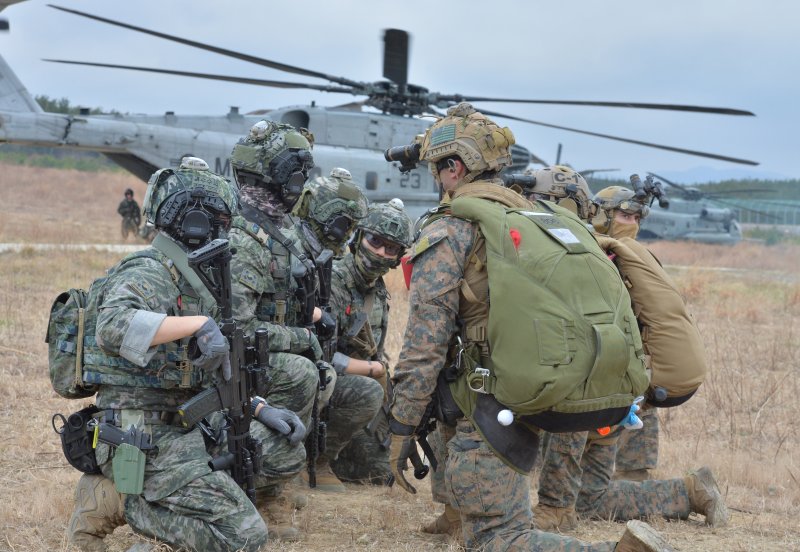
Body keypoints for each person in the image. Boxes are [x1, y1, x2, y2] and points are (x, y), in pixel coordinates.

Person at [387, 102, 673, 552]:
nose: (437, 180)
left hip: (487, 408)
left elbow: (426, 340)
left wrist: (401, 422)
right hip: (529, 393)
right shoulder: (534, 217)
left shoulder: (452, 229)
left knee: (498, 540)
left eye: (438, 169)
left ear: (455, 167)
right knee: (492, 517)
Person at [67, 157, 269, 551]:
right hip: (140, 430)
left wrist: (260, 407)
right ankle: (122, 500)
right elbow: (113, 326)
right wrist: (197, 324)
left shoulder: (194, 277)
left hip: (180, 422)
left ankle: (125, 495)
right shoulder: (149, 271)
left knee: (266, 460)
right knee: (247, 538)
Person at [533, 185, 726, 533]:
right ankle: (690, 491)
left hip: (611, 383)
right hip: (633, 386)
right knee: (592, 500)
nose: (632, 224)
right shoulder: (635, 255)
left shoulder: (608, 257)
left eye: (636, 217)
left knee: (568, 420)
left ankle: (555, 508)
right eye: (626, 215)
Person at [227, 120, 322, 540]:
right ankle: (256, 495)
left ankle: (276, 478)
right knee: (301, 373)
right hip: (232, 362)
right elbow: (239, 328)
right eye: (299, 172)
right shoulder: (248, 237)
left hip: (255, 354)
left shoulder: (277, 225)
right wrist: (301, 339)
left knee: (320, 370)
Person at [288, 168, 384, 493]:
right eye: (345, 224)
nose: (348, 234)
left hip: (316, 365)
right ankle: (289, 464)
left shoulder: (325, 261)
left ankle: (317, 460)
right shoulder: (292, 253)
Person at [328, 198, 414, 485]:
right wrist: (371, 370)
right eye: (375, 241)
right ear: (360, 237)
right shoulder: (333, 281)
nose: (379, 253)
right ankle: (316, 461)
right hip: (326, 389)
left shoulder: (376, 290)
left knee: (381, 474)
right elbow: (319, 358)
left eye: (390, 249)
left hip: (356, 393)